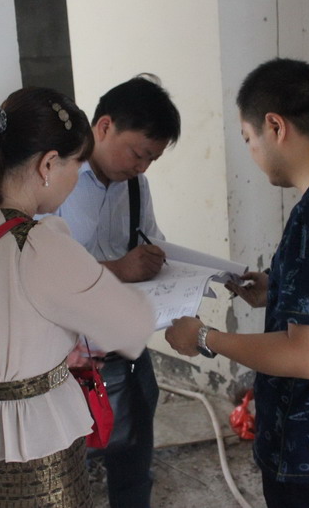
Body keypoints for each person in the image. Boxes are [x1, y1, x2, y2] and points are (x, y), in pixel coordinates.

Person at [165, 58, 309, 508]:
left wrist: (203, 337)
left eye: (248, 138)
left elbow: (306, 357)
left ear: (275, 126)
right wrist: (279, 289)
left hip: (305, 447)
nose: (251, 152)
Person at [0, 87, 154, 508]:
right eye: (76, 163)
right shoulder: (36, 243)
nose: (77, 175)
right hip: (31, 455)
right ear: (48, 164)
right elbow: (132, 327)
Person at [46, 74, 180, 508]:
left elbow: (151, 242)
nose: (142, 168)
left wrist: (180, 279)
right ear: (104, 126)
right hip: (65, 357)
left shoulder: (136, 186)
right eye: (138, 154)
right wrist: (119, 270)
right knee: (66, 469)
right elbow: (40, 271)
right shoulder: (55, 182)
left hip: (123, 347)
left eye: (152, 159)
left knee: (134, 459)